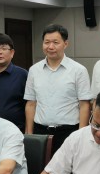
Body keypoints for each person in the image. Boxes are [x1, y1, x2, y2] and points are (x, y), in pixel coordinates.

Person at [24, 24, 92, 152]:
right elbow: (31, 104)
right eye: (46, 42)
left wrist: (81, 135)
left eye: (55, 42)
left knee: (67, 165)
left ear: (65, 44)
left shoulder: (78, 70)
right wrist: (29, 133)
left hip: (68, 132)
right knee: (40, 164)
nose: (50, 47)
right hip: (40, 131)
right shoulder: (34, 70)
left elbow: (84, 105)